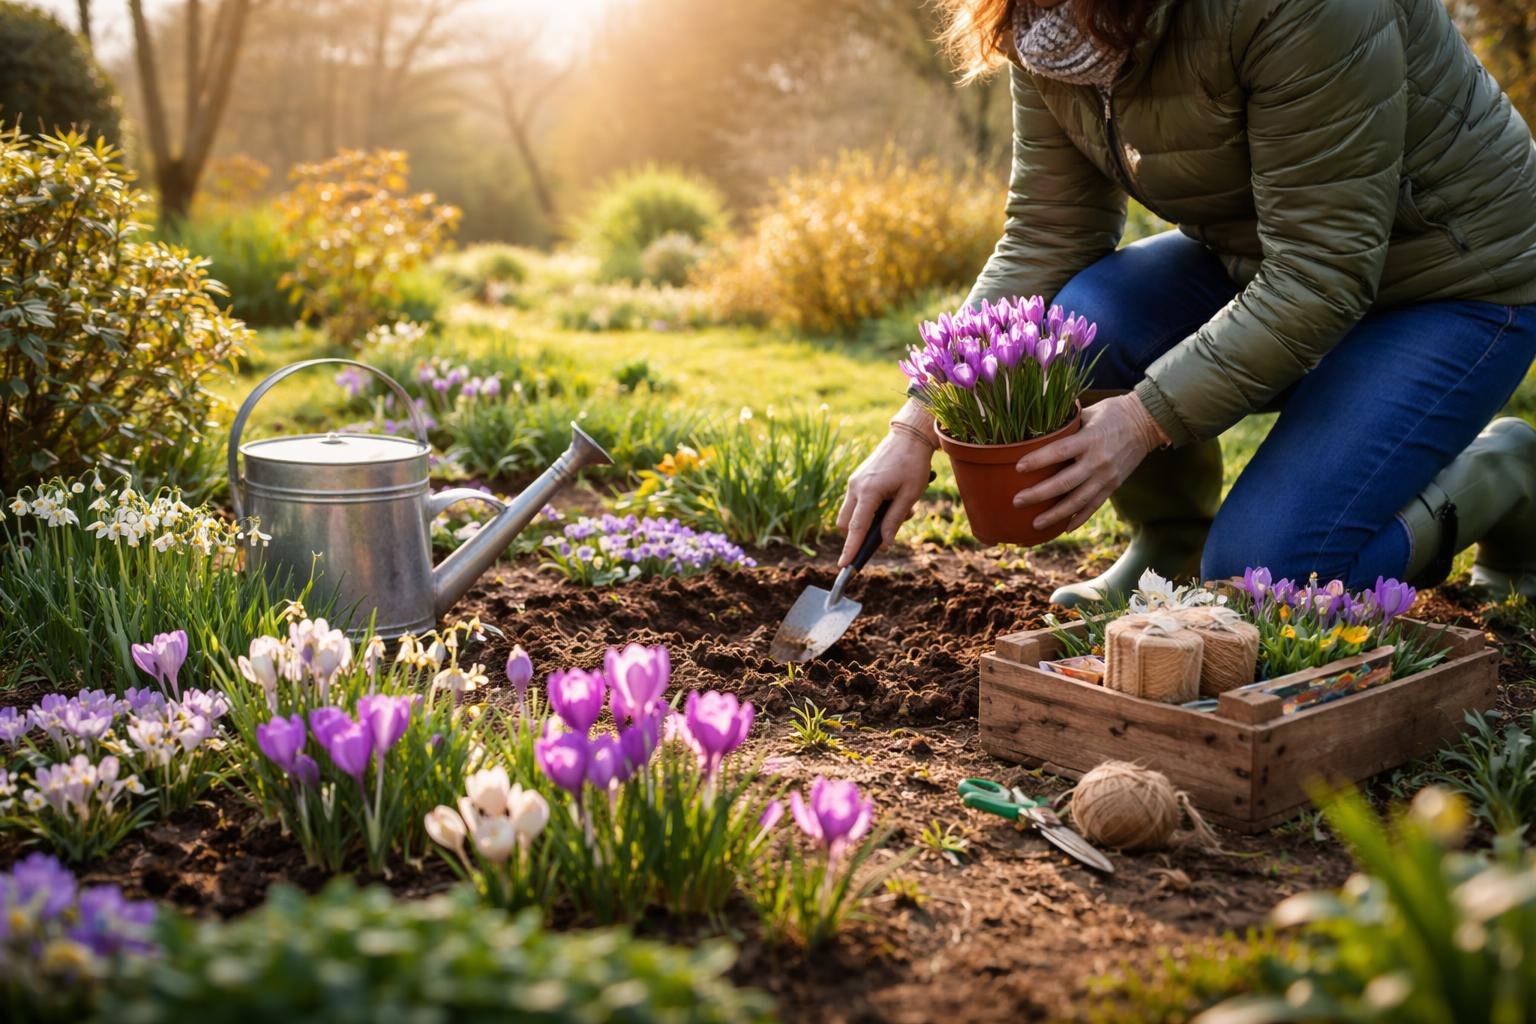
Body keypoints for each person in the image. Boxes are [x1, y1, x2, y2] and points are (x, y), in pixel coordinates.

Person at [837, 0, 1536, 605]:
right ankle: (1172, 541)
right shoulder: (1041, 25)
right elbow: (1048, 234)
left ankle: (1498, 472)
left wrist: (1141, 421)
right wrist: (916, 422)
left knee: (1264, 579)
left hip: (1457, 280)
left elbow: (1325, 272)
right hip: (1269, 263)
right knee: (1079, 332)